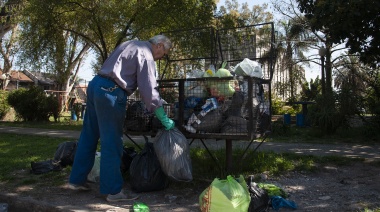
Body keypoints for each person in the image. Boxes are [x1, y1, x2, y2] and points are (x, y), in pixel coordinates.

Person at [68, 35, 175, 202]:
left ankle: (76, 180)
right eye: (164, 53)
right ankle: (113, 191)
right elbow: (149, 91)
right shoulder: (146, 55)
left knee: (88, 136)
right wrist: (162, 116)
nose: (161, 57)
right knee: (111, 141)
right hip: (111, 92)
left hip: (95, 85)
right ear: (159, 46)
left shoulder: (130, 43)